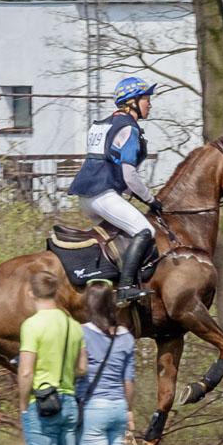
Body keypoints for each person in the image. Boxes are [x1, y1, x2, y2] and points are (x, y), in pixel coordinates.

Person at [68, 76, 163, 306]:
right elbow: (129, 175)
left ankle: (108, 284)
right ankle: (126, 289)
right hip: (103, 195)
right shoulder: (129, 129)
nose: (150, 104)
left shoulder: (104, 123)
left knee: (118, 237)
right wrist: (151, 200)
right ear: (132, 102)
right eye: (146, 99)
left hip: (86, 196)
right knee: (145, 230)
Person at [17, 270, 87, 445]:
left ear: (31, 293)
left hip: (42, 405)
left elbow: (25, 371)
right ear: (56, 292)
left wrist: (23, 404)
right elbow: (83, 368)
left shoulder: (32, 326)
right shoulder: (74, 326)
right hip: (69, 402)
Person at [77, 279, 137, 445]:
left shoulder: (82, 333)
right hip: (118, 409)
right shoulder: (126, 336)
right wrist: (128, 410)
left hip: (94, 409)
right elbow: (129, 381)